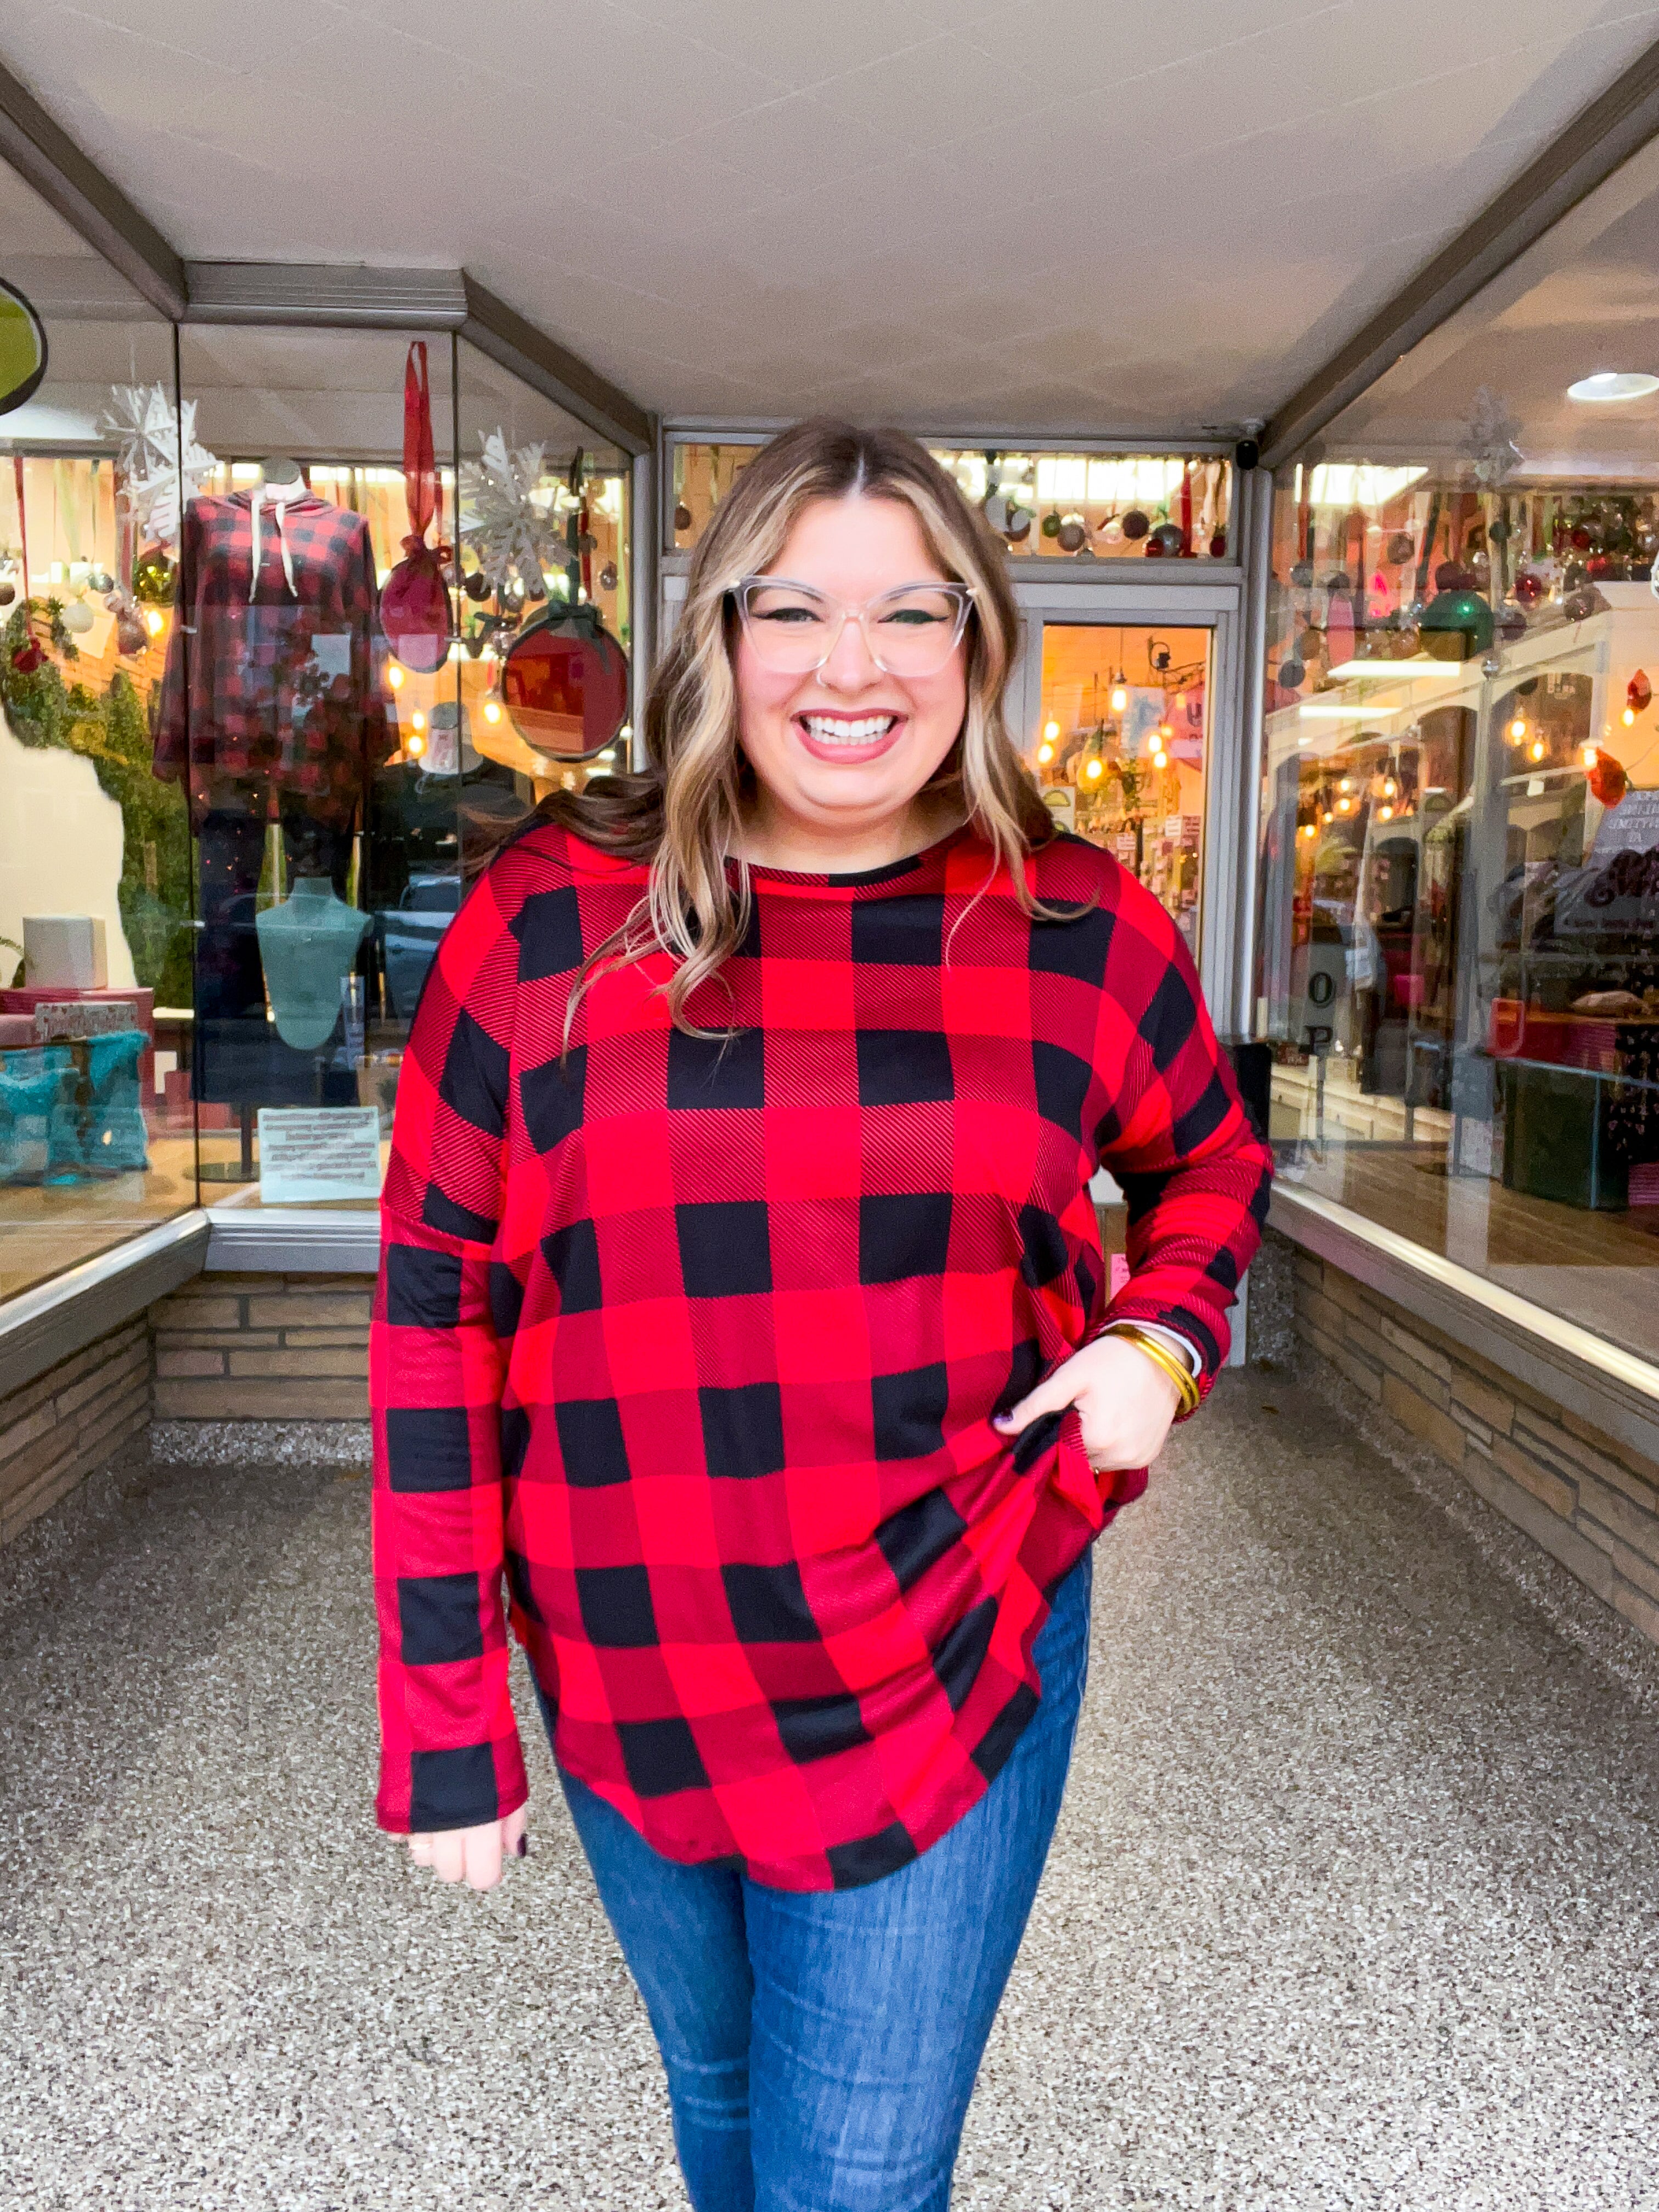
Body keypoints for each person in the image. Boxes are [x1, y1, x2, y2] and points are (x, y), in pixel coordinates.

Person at [371, 419, 1272, 2212]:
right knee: (720, 2109)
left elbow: (1214, 1171)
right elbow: (430, 1321)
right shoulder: (548, 925)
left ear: (977, 645)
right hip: (629, 1657)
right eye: (794, 611)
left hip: (943, 1640)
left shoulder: (1076, 924)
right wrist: (447, 1713)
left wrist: (1162, 1342)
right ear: (720, 642)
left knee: (851, 2177)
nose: (849, 670)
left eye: (908, 615)